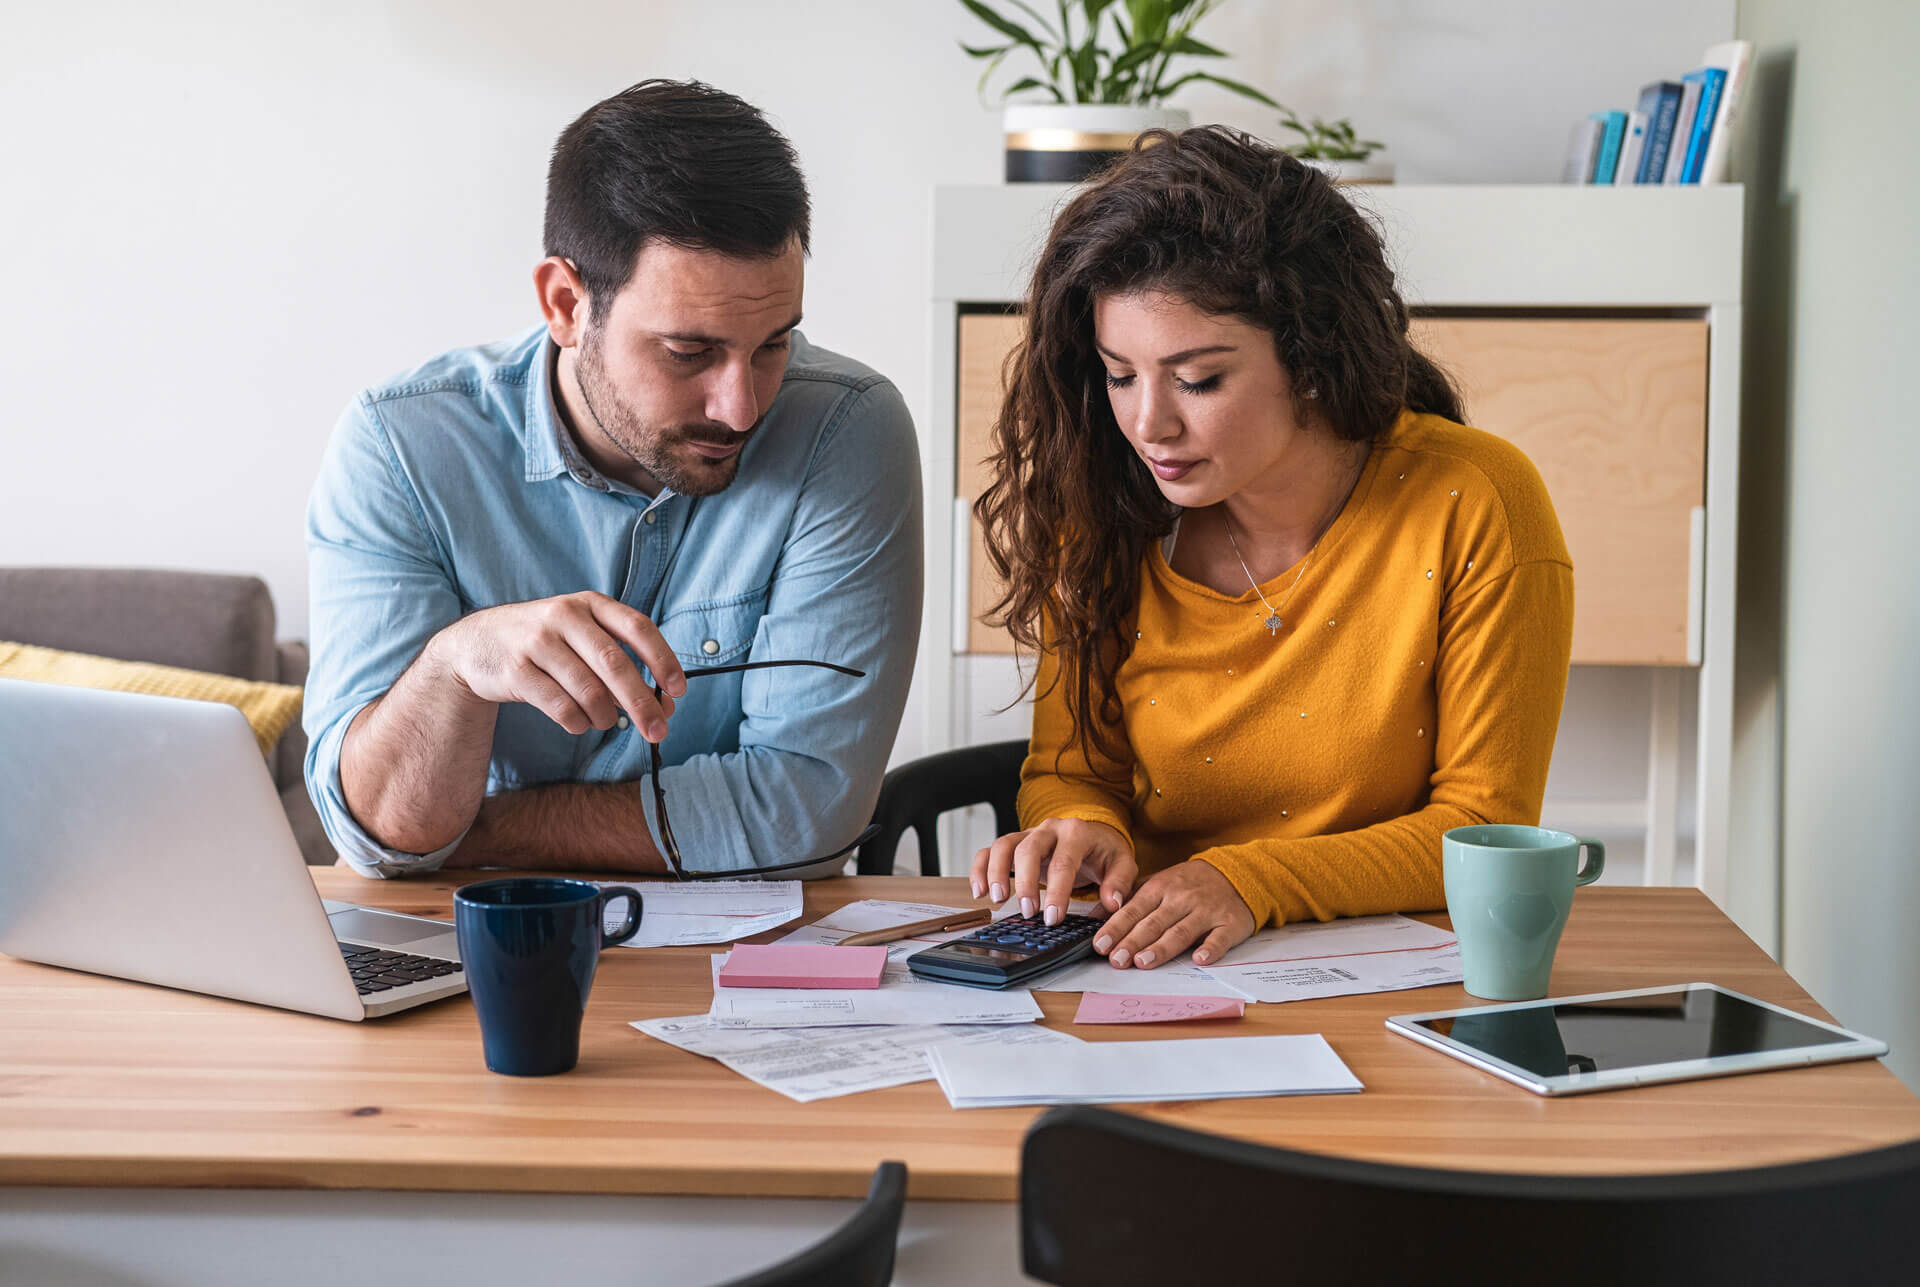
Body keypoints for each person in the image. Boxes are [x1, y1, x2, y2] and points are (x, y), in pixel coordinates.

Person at [969, 126, 1573, 970]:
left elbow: (1479, 825)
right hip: (1144, 967)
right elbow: (1072, 770)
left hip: (1380, 981)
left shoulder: (1476, 502)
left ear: (1312, 356)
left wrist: (1249, 881)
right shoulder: (1102, 505)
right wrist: (1084, 829)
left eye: (1198, 379)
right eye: (1120, 374)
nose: (1149, 423)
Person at [303, 80, 921, 879]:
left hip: (739, 973)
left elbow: (806, 813)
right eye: (689, 352)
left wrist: (474, 833)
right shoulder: (399, 449)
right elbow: (378, 829)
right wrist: (456, 665)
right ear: (565, 303)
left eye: (773, 344)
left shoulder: (846, 431)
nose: (740, 408)